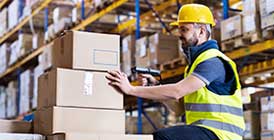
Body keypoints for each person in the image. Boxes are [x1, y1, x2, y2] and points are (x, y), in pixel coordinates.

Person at [106, 3, 245, 140]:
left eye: (184, 29)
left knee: (164, 137)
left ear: (201, 31)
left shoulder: (213, 61)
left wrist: (131, 90)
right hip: (206, 132)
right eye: (179, 30)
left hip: (221, 135)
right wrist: (152, 86)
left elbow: (177, 91)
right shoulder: (194, 65)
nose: (179, 34)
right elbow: (179, 109)